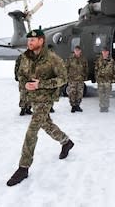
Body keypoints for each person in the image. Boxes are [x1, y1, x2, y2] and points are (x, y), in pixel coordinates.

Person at [7, 28, 74, 187]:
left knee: (32, 130)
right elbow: (21, 75)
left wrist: (41, 84)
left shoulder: (52, 58)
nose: (29, 42)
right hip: (33, 98)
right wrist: (26, 84)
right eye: (28, 40)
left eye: (33, 40)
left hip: (46, 99)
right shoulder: (25, 57)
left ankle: (23, 167)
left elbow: (63, 79)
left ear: (41, 41)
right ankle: (66, 142)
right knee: (45, 124)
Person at [65, 45, 88, 113]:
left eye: (78, 50)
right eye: (76, 50)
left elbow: (86, 68)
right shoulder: (70, 59)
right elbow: (66, 68)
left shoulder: (83, 59)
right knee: (72, 93)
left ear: (80, 51)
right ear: (74, 51)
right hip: (72, 79)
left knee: (80, 93)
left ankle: (77, 105)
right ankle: (73, 106)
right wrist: (67, 76)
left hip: (80, 79)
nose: (77, 52)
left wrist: (85, 76)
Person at [95, 46, 115, 112]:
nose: (105, 53)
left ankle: (106, 107)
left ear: (108, 52)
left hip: (108, 80)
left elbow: (114, 71)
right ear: (102, 52)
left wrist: (112, 79)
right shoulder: (99, 60)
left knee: (107, 94)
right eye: (103, 51)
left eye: (106, 52)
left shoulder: (111, 61)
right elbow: (96, 70)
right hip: (100, 81)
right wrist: (97, 79)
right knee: (101, 95)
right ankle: (102, 107)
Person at [15, 51, 32, 116]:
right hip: (22, 78)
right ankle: (22, 108)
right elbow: (17, 66)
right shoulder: (21, 56)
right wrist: (16, 75)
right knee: (23, 94)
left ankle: (28, 108)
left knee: (30, 94)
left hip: (31, 78)